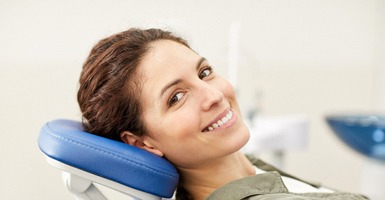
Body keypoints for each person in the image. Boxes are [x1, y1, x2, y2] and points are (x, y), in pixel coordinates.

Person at [77, 28, 368, 200]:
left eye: (204, 73)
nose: (215, 95)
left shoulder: (249, 168)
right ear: (142, 143)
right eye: (176, 98)